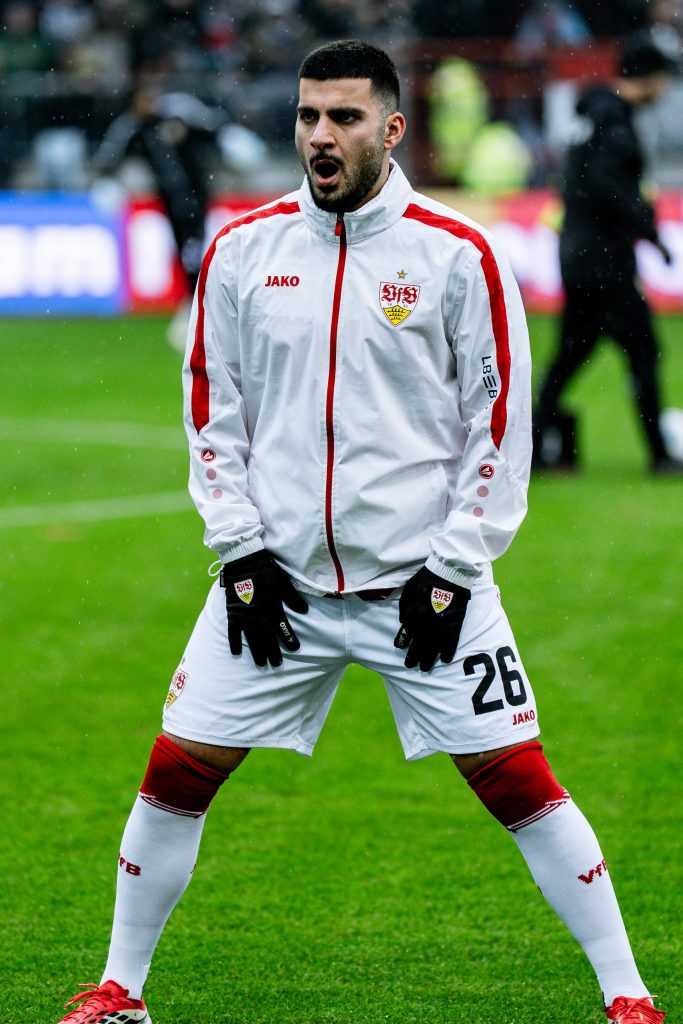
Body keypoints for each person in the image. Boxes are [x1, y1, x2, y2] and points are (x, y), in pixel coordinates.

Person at [56, 40, 665, 1024]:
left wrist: (454, 568)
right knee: (176, 769)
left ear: (391, 128)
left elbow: (498, 425)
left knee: (518, 780)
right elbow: (212, 413)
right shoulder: (244, 251)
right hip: (277, 585)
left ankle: (627, 998)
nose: (319, 136)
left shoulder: (456, 255)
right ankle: (120, 991)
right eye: (307, 116)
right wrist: (240, 551)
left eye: (342, 117)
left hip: (426, 585)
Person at [534, 29, 682, 474]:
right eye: (663, 77)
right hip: (605, 261)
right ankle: (659, 455)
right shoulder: (614, 122)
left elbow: (590, 182)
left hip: (580, 255)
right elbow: (609, 185)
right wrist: (648, 228)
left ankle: (538, 439)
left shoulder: (593, 115)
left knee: (571, 354)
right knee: (644, 351)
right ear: (648, 76)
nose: (666, 88)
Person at [91, 84, 266, 349]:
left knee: (195, 250)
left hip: (197, 198)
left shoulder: (180, 114)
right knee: (187, 250)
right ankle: (198, 305)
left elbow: (213, 128)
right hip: (171, 204)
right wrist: (107, 182)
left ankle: (199, 305)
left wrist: (231, 141)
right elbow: (111, 157)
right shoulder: (135, 130)